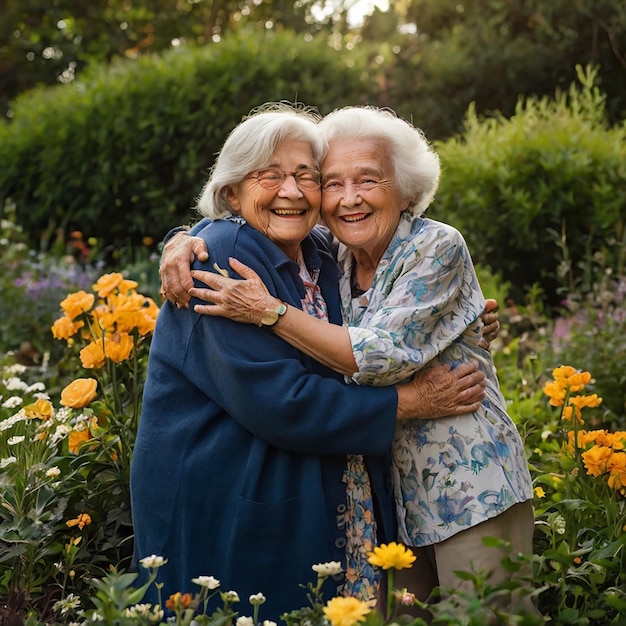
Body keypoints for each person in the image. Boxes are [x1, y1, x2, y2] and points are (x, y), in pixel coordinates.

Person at [160, 105, 537, 617]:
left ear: (406, 191)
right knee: (406, 620)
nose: (347, 198)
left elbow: (376, 355)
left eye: (366, 180)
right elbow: (246, 218)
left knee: (488, 617)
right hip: (395, 496)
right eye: (333, 182)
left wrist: (270, 311)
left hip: (470, 484)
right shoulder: (330, 252)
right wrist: (180, 242)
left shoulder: (424, 246)